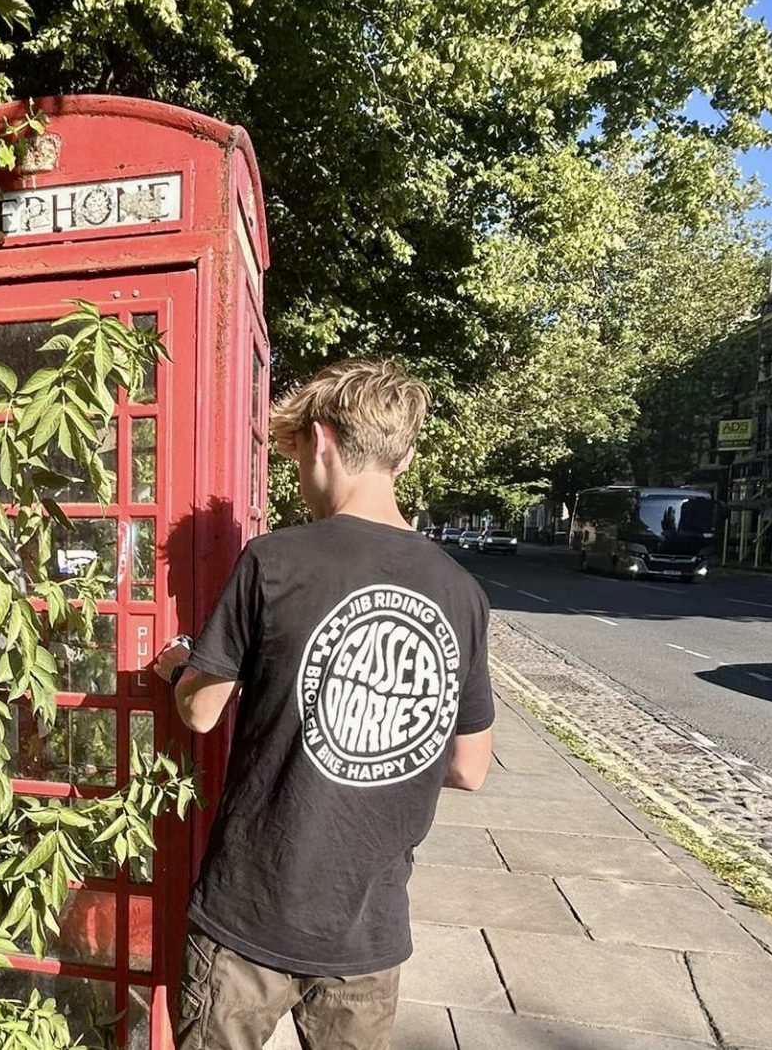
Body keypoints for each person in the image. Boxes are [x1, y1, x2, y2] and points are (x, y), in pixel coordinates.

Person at [154, 359, 494, 1050]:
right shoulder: (461, 591)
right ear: (403, 454)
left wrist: (177, 668)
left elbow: (200, 713)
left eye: (299, 458)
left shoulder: (273, 560)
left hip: (250, 912)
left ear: (322, 441)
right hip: (367, 927)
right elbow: (469, 766)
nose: (300, 478)